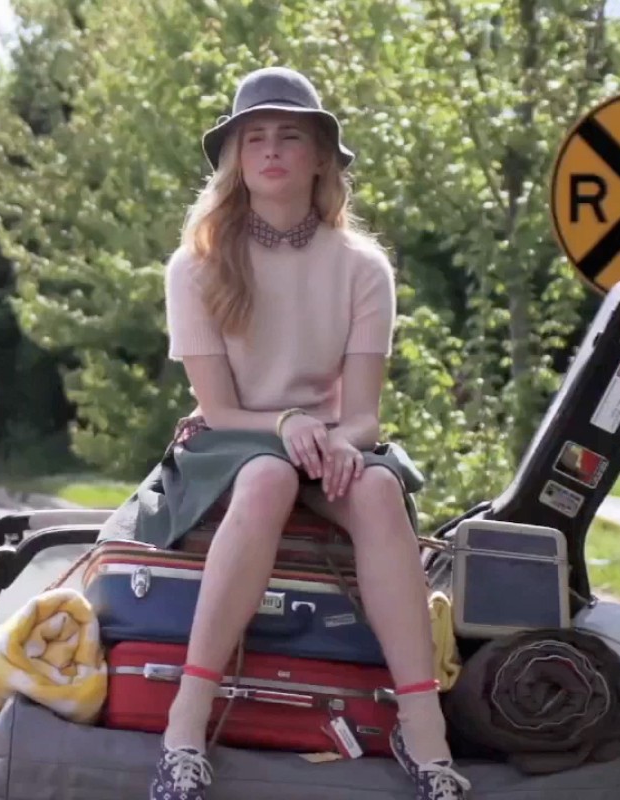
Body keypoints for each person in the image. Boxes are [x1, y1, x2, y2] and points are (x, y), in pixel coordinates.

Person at [125, 67, 472, 800]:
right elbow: (218, 409)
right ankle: (185, 727)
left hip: (328, 444)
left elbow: (364, 413)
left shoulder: (362, 267)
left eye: (290, 136)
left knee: (377, 492)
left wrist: (342, 440)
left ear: (319, 158)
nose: (272, 150)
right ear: (235, 159)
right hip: (233, 440)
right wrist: (285, 424)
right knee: (267, 476)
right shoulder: (195, 265)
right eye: (254, 138)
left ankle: (425, 734)